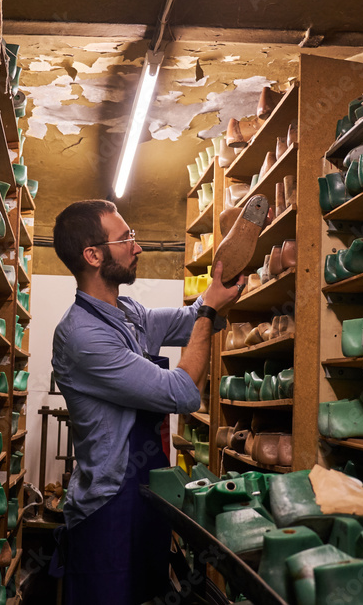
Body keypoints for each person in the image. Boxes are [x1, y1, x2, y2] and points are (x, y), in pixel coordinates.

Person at [50, 199, 245, 605]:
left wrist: (227, 277)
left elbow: (194, 318)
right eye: (126, 239)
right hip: (107, 510)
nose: (138, 247)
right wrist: (208, 311)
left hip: (147, 495)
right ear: (93, 255)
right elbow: (182, 392)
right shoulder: (83, 335)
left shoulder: (129, 313)